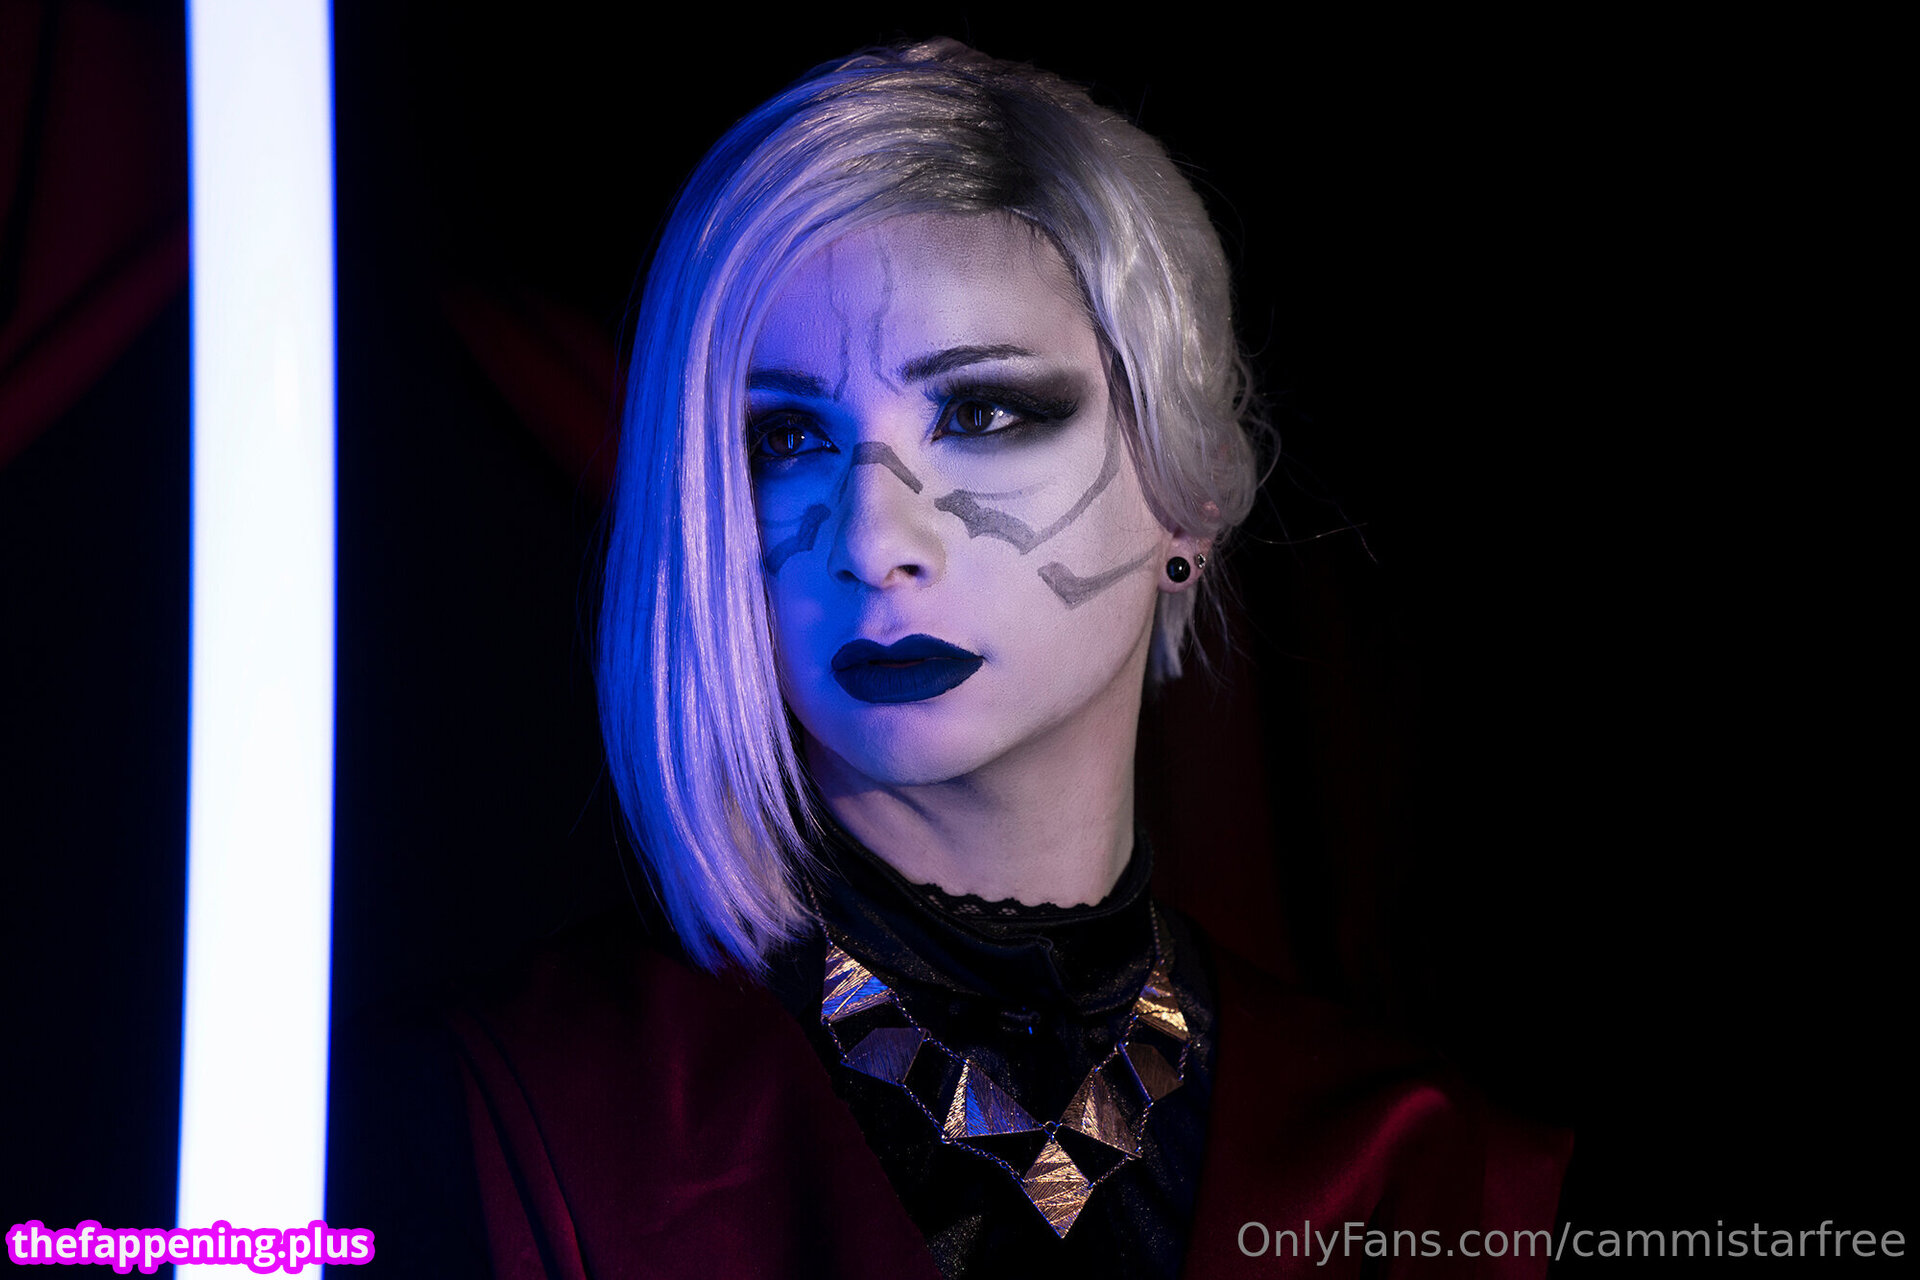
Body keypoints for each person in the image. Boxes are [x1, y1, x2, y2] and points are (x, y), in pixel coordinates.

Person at [334, 39, 1568, 1279]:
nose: (876, 541)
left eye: (981, 411)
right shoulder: (481, 1120)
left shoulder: (1447, 1172)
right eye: (786, 436)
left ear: (1187, 495)